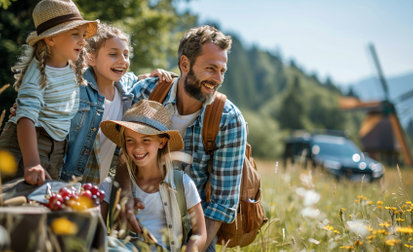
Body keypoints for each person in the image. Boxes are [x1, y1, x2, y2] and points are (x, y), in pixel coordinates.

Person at [116, 25, 247, 251]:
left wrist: (192, 246)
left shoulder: (228, 120)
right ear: (185, 64)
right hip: (138, 218)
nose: (217, 79)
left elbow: (221, 204)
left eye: (222, 71)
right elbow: (121, 153)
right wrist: (125, 195)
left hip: (195, 230)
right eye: (210, 68)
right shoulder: (148, 93)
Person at [59, 23, 173, 184]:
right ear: (91, 58)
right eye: (113, 54)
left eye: (126, 55)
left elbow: (132, 77)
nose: (122, 61)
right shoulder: (77, 88)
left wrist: (151, 74)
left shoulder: (125, 90)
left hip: (95, 187)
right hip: (63, 181)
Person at [0, 0, 98, 186]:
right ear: (51, 39)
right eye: (75, 34)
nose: (83, 41)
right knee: (18, 204)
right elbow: (25, 118)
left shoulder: (72, 66)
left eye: (83, 35)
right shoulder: (37, 73)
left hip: (56, 148)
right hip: (27, 147)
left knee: (42, 202)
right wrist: (32, 162)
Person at [99, 100, 207, 251]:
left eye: (146, 140)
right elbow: (98, 234)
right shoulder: (111, 185)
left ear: (162, 142)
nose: (138, 148)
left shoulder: (182, 184)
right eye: (130, 140)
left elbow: (200, 234)